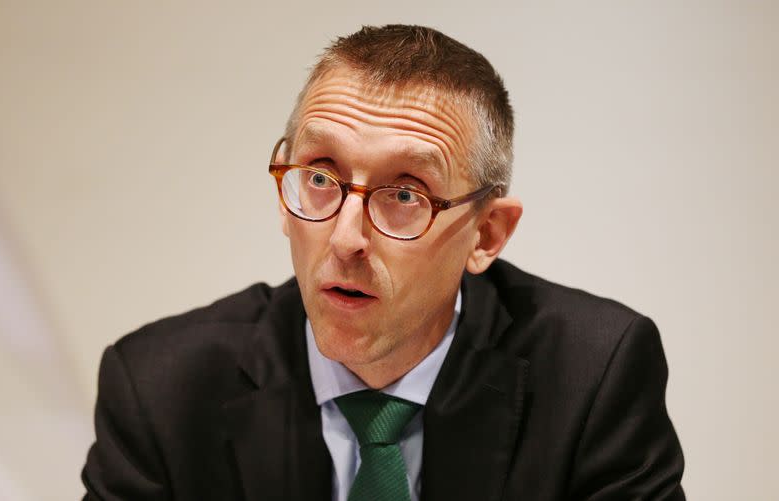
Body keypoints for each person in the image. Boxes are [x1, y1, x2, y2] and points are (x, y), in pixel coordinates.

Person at [81, 24, 684, 501]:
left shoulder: (593, 376)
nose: (346, 238)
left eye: (404, 195)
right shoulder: (160, 390)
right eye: (320, 176)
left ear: (486, 234)